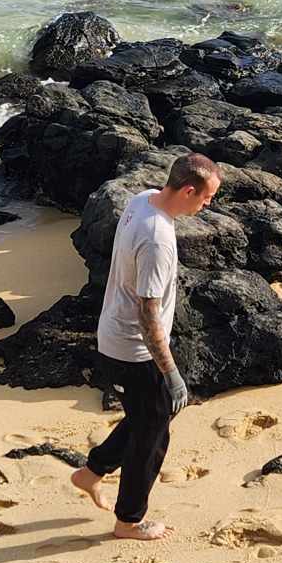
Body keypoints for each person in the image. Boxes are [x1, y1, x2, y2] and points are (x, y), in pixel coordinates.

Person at [72, 153, 222, 540]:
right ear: (188, 190)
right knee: (153, 434)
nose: (207, 205)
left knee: (147, 417)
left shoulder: (143, 199)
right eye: (206, 198)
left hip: (114, 336)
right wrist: (171, 374)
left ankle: (92, 473)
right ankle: (129, 520)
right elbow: (148, 314)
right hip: (133, 349)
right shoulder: (157, 240)